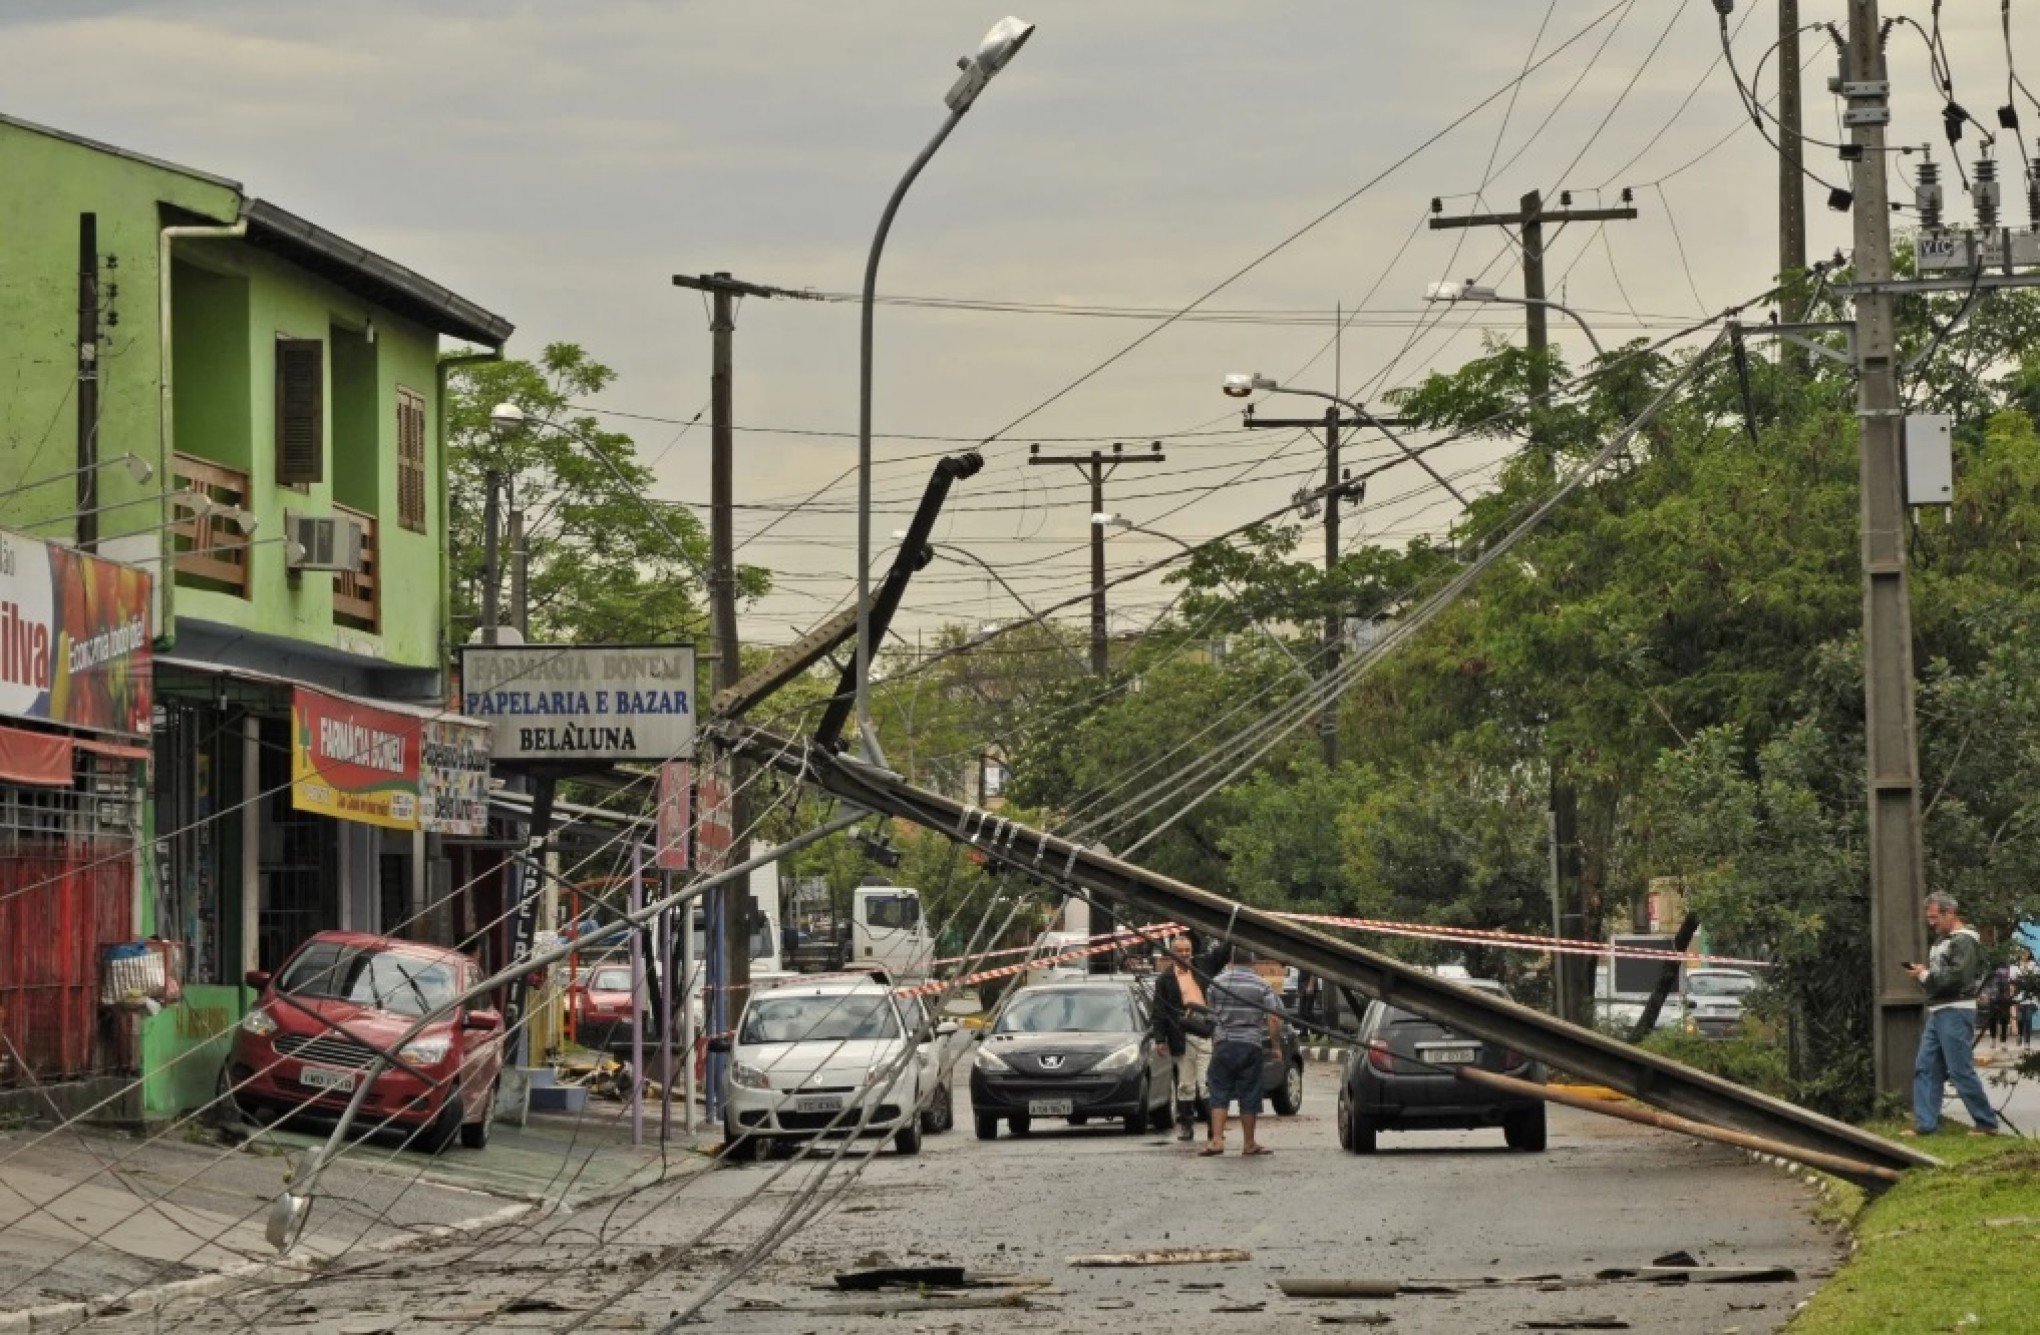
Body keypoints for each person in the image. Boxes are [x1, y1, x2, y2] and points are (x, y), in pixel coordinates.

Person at [1904, 892, 2000, 1137]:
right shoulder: (1942, 941)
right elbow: (1942, 977)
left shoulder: (1965, 941)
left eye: (1935, 917)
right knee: (1926, 1067)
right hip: (1938, 1010)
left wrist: (1925, 976)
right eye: (1929, 917)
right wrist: (1926, 974)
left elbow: (1958, 977)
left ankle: (1986, 1122)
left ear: (1950, 913)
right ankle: (1926, 1124)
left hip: (1956, 1010)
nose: (1931, 922)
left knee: (1959, 1069)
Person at [1200, 944, 1282, 1157]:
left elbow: (1210, 1016)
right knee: (1250, 1093)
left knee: (1219, 1092)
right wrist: (1275, 1046)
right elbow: (1273, 1018)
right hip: (1250, 1045)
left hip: (1223, 1045)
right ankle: (1249, 1143)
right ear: (1253, 961)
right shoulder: (1262, 985)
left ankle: (1217, 1140)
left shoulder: (1216, 984)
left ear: (1231, 960)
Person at [1152, 936, 1210, 1141]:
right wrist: (1160, 1039)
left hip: (1205, 1032)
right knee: (1186, 1083)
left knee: (1206, 1082)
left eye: (1188, 950)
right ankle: (1186, 1126)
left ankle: (1214, 1127)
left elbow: (1219, 957)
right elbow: (1158, 1011)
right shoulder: (1164, 980)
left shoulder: (1201, 970)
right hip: (1181, 1035)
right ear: (1172, 953)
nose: (1185, 954)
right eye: (1180, 950)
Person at [2013, 946, 2040, 1049]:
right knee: (2020, 1019)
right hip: (2019, 997)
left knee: (2028, 1019)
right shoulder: (2016, 966)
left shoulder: (2034, 965)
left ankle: (2027, 1043)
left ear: (2029, 954)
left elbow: (2036, 978)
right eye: (2022, 952)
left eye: (2026, 952)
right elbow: (2013, 980)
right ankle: (2020, 1034)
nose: (2024, 954)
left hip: (2030, 997)